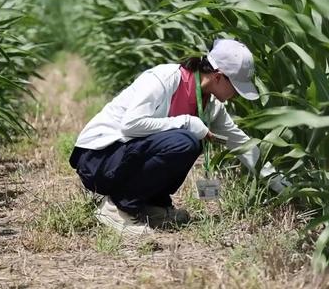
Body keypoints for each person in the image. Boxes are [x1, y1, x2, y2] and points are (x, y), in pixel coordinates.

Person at [68, 39, 288, 235]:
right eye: (236, 87)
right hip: (99, 158)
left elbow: (244, 147)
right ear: (218, 77)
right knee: (186, 140)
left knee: (190, 141)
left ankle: (150, 206)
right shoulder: (164, 78)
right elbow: (130, 126)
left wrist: (288, 188)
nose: (237, 95)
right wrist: (187, 122)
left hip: (125, 158)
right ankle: (117, 207)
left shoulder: (211, 106)